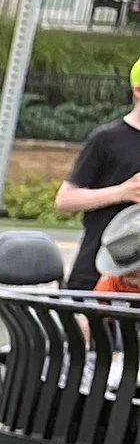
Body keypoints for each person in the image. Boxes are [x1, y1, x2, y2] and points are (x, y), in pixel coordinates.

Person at [56, 60, 140, 292]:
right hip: (98, 269)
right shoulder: (106, 139)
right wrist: (122, 192)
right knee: (86, 327)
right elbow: (65, 199)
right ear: (138, 90)